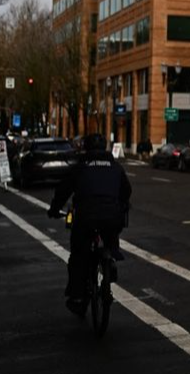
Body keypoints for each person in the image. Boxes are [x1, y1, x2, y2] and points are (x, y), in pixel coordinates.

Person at [47, 133, 131, 315]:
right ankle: (111, 257)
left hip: (85, 218)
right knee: (111, 234)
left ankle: (77, 296)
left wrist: (54, 209)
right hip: (112, 218)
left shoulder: (80, 167)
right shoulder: (116, 167)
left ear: (86, 147)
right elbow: (127, 191)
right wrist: (122, 205)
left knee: (78, 255)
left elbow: (63, 190)